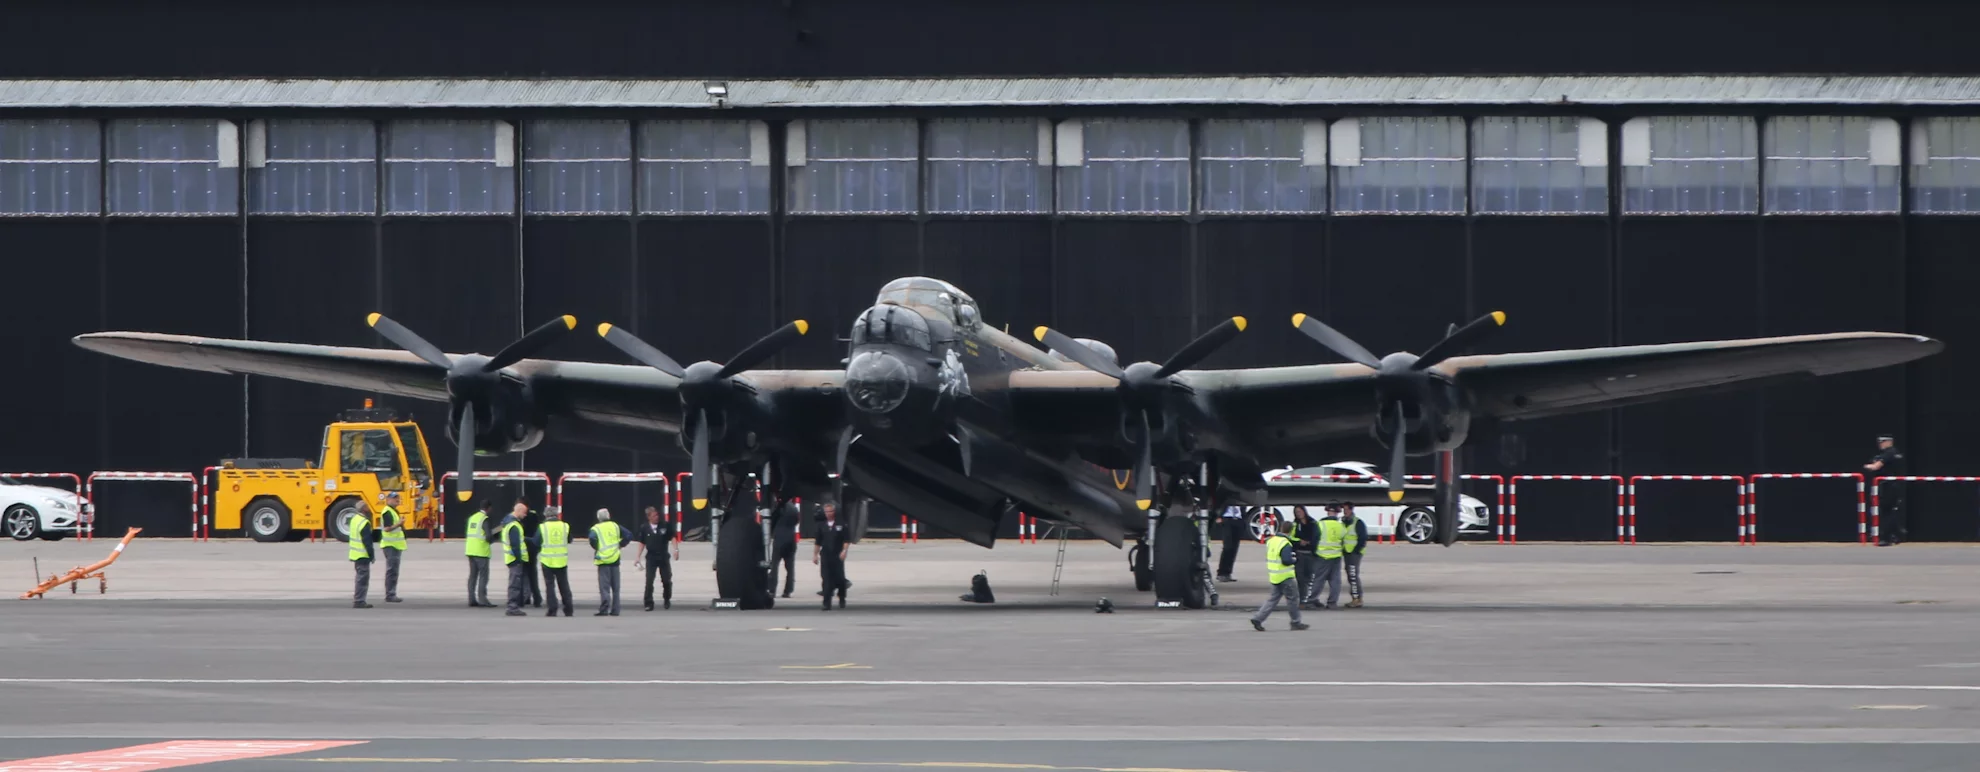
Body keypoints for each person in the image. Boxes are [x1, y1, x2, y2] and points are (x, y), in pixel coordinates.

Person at [1248, 520, 1308, 632]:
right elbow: (1286, 560)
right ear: (1291, 531)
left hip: (1274, 576)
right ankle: (1296, 622)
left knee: (1272, 600)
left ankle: (1258, 618)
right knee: (1293, 600)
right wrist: (1295, 560)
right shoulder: (1285, 543)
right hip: (1285, 576)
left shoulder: (1272, 541)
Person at [1865, 433, 1907, 546]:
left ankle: (1887, 537)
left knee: (1887, 511)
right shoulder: (1896, 453)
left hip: (1890, 485)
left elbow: (1876, 466)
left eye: (1882, 442)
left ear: (1889, 442)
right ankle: (1896, 534)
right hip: (1895, 485)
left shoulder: (1889, 453)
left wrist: (1868, 466)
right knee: (1891, 510)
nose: (1880, 444)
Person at [634, 505, 677, 611]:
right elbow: (642, 543)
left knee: (666, 580)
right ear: (649, 517)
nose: (656, 517)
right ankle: (648, 603)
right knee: (649, 581)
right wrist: (637, 557)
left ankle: (667, 599)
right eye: (653, 516)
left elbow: (672, 537)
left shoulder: (665, 525)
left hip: (663, 557)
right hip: (651, 558)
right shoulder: (644, 528)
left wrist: (676, 549)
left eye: (657, 515)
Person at [589, 508, 630, 616]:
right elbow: (629, 535)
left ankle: (604, 608)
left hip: (603, 559)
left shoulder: (596, 528)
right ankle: (616, 609)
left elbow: (592, 539)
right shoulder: (615, 526)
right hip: (615, 558)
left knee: (604, 587)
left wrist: (597, 547)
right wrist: (621, 545)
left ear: (598, 518)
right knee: (616, 588)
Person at [1307, 504, 1347, 609]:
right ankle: (1332, 602)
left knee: (1319, 579)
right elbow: (1344, 540)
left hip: (1322, 556)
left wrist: (1314, 552)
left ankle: (1312, 600)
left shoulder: (1320, 524)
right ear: (1338, 513)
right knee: (1335, 581)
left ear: (1327, 512)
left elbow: (1314, 539)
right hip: (1336, 556)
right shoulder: (1341, 526)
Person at [538, 506, 574, 617]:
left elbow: (536, 541)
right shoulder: (564, 526)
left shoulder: (543, 527)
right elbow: (570, 539)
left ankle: (552, 610)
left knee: (550, 586)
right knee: (564, 585)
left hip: (547, 561)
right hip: (561, 560)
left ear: (546, 515)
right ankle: (568, 609)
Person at [499, 500, 534, 617]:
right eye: (524, 513)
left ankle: (513, 606)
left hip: (511, 559)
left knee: (514, 583)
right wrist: (519, 558)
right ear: (518, 511)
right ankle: (512, 607)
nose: (525, 515)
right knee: (515, 584)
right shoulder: (514, 525)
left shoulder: (508, 523)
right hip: (515, 560)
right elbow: (515, 544)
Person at [814, 502, 851, 610]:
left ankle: (842, 597)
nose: (828, 514)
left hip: (837, 555)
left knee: (839, 578)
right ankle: (826, 602)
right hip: (826, 555)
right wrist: (815, 555)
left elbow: (846, 540)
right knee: (826, 579)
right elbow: (818, 542)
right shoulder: (821, 526)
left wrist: (844, 551)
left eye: (830, 511)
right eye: (826, 512)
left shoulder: (841, 524)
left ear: (834, 512)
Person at [348, 500, 382, 609]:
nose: (369, 509)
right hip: (362, 554)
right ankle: (359, 601)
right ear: (363, 509)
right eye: (367, 507)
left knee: (359, 578)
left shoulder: (354, 519)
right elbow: (367, 541)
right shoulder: (364, 522)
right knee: (362, 579)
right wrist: (372, 555)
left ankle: (358, 599)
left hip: (355, 554)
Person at [376, 491, 406, 603]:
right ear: (388, 500)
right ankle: (390, 594)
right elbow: (387, 528)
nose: (397, 500)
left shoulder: (394, 511)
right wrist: (399, 523)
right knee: (392, 570)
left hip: (395, 545)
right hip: (391, 545)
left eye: (398, 498)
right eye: (394, 498)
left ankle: (391, 593)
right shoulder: (387, 512)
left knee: (393, 570)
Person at [768, 500, 801, 599]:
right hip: (791, 538)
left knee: (774, 566)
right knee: (790, 568)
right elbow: (796, 521)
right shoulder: (794, 508)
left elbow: (772, 521)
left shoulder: (778, 507)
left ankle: (772, 589)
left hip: (779, 539)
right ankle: (788, 590)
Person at [463, 501, 494, 607]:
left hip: (470, 550)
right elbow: (488, 536)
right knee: (483, 576)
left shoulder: (472, 518)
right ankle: (483, 599)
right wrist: (493, 538)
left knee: (473, 576)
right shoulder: (484, 519)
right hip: (481, 551)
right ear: (488, 508)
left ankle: (471, 599)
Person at [1285, 506, 1317, 606]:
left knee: (1310, 578)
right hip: (1299, 554)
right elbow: (1290, 538)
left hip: (1311, 554)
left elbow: (1316, 537)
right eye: (1296, 512)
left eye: (1300, 511)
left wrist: (1310, 543)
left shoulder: (1313, 523)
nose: (1298, 513)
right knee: (1300, 578)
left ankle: (1310, 599)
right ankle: (1302, 600)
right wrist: (1300, 542)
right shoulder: (1295, 524)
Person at [1340, 503, 1367, 608]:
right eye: (1344, 510)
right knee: (1351, 575)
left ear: (1351, 510)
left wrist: (1356, 550)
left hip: (1354, 553)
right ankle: (1356, 597)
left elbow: (1362, 538)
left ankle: (1356, 598)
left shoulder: (1357, 522)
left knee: (1353, 575)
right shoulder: (1343, 522)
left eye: (1347, 509)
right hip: (1346, 552)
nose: (1345, 512)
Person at [521, 503, 545, 607]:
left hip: (524, 549)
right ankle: (536, 598)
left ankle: (525, 597)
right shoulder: (535, 517)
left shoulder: (520, 520)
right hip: (533, 550)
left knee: (522, 575)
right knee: (532, 576)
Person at [1215, 504, 1245, 582]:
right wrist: (1219, 516)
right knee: (1227, 547)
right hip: (1227, 519)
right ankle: (1221, 573)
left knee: (1234, 549)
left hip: (1238, 519)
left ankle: (1227, 573)